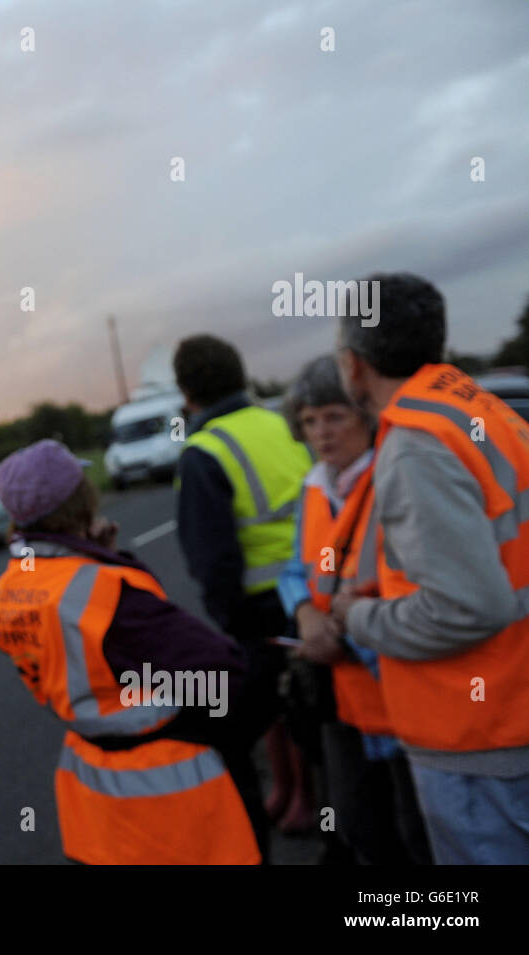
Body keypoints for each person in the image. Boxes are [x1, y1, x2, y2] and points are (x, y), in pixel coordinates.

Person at [333, 272, 529, 864]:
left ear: (354, 365)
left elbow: (471, 605)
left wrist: (360, 616)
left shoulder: (417, 442)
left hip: (480, 739)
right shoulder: (479, 410)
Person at [0, 439, 260, 864]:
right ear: (83, 501)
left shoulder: (11, 586)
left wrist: (101, 557)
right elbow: (225, 675)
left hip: (94, 798)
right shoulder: (103, 590)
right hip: (171, 796)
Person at [277, 355, 431, 864]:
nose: (321, 432)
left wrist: (347, 629)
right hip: (347, 701)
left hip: (410, 695)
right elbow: (295, 570)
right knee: (361, 826)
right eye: (309, 420)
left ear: (365, 415)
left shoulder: (397, 476)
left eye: (335, 416)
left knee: (422, 835)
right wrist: (306, 616)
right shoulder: (315, 488)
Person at [172, 334, 315, 843]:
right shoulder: (281, 424)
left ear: (188, 391)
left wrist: (228, 619)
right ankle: (295, 793)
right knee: (299, 700)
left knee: (276, 703)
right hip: (317, 586)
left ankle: (294, 799)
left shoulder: (203, 451)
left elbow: (213, 559)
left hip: (258, 605)